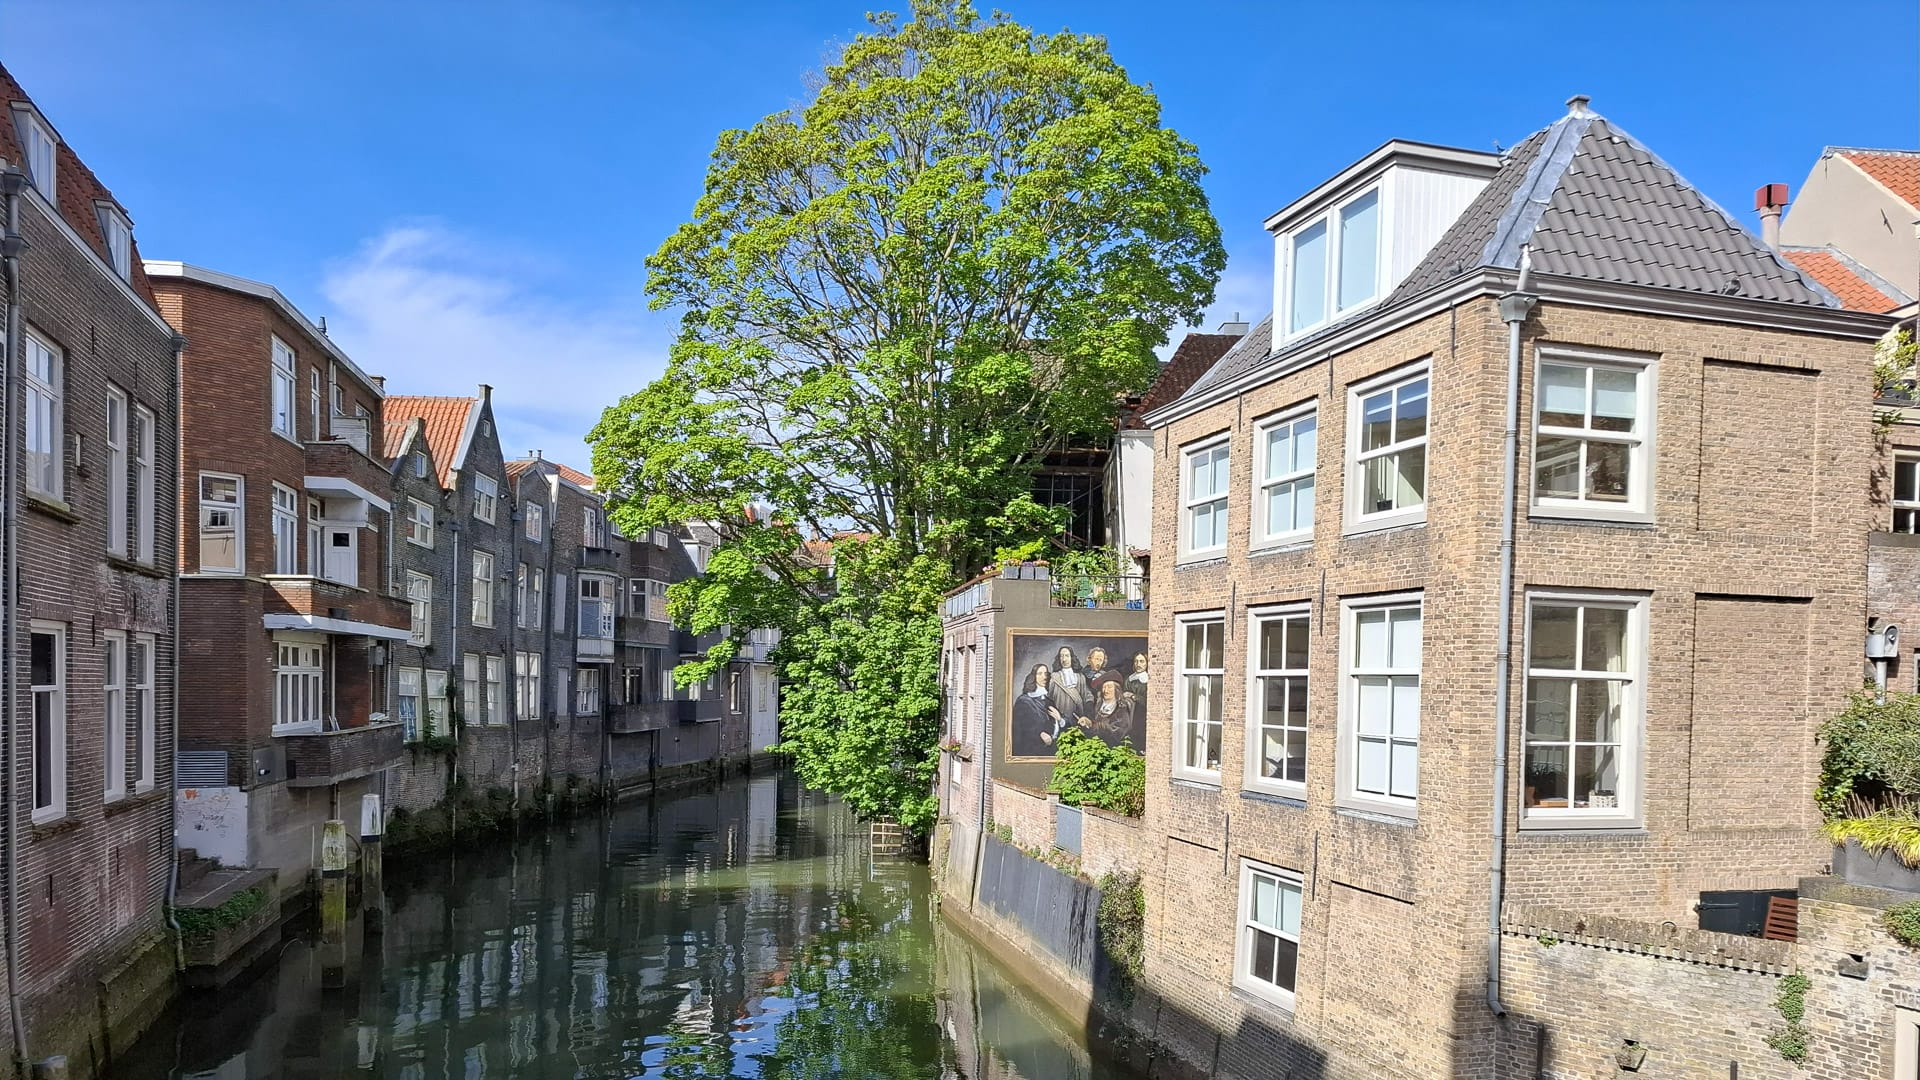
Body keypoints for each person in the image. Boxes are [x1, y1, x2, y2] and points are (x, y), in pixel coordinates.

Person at [1012, 664, 1067, 757]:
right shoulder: (1024, 701)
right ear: (1033, 677)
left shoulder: (1048, 700)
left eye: (1046, 674)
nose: (1044, 677)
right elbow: (1020, 727)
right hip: (1033, 750)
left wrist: (1060, 719)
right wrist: (1039, 733)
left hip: (1053, 749)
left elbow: (1061, 719)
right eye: (1040, 674)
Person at [1087, 679, 1136, 748]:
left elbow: (1119, 731)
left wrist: (1094, 725)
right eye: (1104, 687)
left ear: (1116, 690)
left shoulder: (1121, 708)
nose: (1105, 691)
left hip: (1114, 746)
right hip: (1096, 743)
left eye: (1109, 687)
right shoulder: (1099, 705)